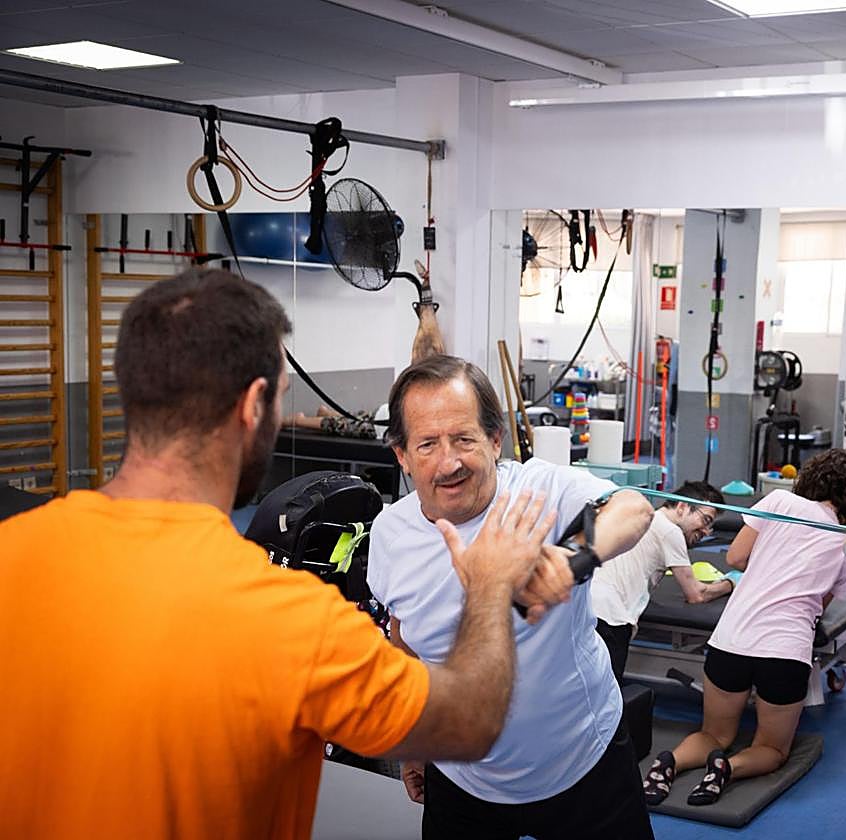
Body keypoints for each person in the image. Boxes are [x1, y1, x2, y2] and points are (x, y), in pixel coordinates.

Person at [0, 269, 559, 839]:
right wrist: (490, 584)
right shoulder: (295, 622)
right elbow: (470, 722)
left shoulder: (10, 554)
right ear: (254, 405)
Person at [367, 354, 657, 839]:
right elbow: (404, 639)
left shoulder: (539, 490)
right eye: (427, 445)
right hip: (463, 776)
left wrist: (571, 560)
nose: (449, 462)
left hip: (583, 764)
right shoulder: (390, 535)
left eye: (463, 439)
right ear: (402, 455)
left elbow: (632, 510)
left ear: (494, 439)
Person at [641, 450, 846, 807]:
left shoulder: (779, 500)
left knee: (713, 733)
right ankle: (726, 769)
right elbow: (818, 608)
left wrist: (766, 563)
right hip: (784, 652)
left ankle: (670, 762)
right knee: (772, 748)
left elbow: (735, 559)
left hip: (732, 639)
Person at [591, 480, 730, 681]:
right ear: (682, 507)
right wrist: (730, 583)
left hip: (589, 608)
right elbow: (696, 595)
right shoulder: (669, 530)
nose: (707, 532)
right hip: (610, 619)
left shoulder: (644, 521)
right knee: (605, 701)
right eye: (706, 520)